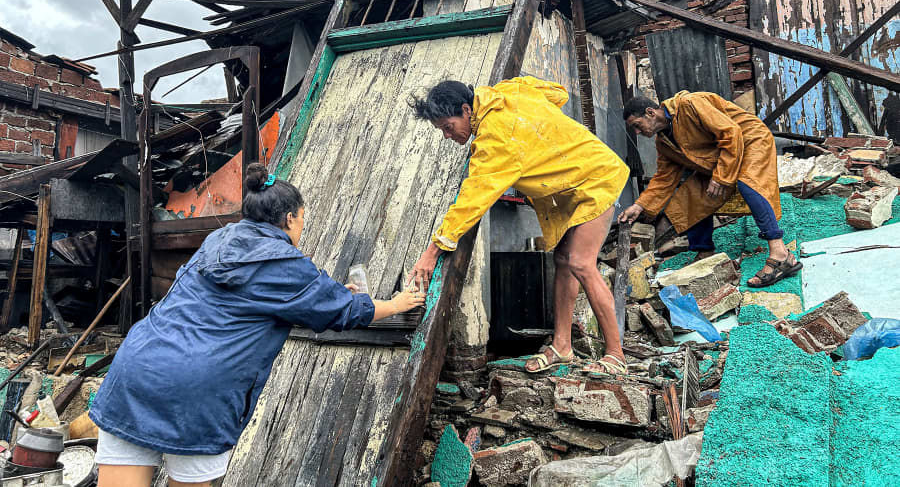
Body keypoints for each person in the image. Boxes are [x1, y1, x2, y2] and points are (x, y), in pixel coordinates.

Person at [90, 163, 424, 487]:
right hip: (196, 392)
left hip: (136, 369)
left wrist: (327, 293)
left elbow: (269, 292)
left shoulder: (218, 240)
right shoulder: (285, 262)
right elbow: (342, 311)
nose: (302, 228)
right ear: (290, 218)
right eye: (303, 220)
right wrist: (396, 304)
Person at [407, 76, 631, 375]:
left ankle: (616, 355)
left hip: (597, 179)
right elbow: (558, 93)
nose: (448, 136)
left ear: (466, 110)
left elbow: (471, 201)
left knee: (580, 262)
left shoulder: (494, 141)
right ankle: (562, 346)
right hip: (578, 182)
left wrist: (432, 252)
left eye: (449, 127)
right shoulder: (510, 91)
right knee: (563, 260)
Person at [619, 91, 799, 287]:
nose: (637, 133)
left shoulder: (689, 104)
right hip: (721, 154)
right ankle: (704, 251)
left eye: (637, 125)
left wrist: (721, 176)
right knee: (693, 195)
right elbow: (663, 179)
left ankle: (780, 254)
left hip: (750, 139)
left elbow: (730, 132)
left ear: (650, 112)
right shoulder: (663, 143)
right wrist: (639, 205)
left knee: (749, 185)